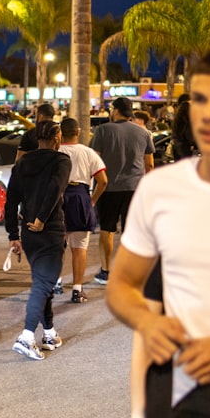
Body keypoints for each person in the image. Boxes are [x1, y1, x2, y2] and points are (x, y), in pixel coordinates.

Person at [106, 50, 210, 418]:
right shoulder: (160, 191)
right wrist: (147, 322)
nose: (209, 114)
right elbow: (123, 285)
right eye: (201, 99)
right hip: (182, 407)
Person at [5, 120, 71, 360]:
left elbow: (11, 200)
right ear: (56, 138)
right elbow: (56, 188)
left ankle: (50, 334)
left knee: (43, 284)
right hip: (49, 229)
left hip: (29, 234)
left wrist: (13, 234)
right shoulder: (61, 160)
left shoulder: (23, 163)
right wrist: (42, 218)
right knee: (43, 286)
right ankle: (26, 336)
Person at [89, 96, 155, 285]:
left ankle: (105, 271)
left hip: (108, 188)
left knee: (107, 229)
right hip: (134, 188)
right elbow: (149, 164)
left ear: (116, 110)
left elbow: (95, 160)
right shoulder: (143, 133)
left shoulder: (102, 130)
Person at [57, 117, 108, 303]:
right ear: (77, 132)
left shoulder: (56, 151)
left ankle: (56, 282)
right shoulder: (89, 153)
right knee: (79, 247)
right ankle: (77, 289)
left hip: (59, 198)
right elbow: (103, 181)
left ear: (60, 133)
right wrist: (92, 201)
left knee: (58, 245)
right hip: (80, 196)